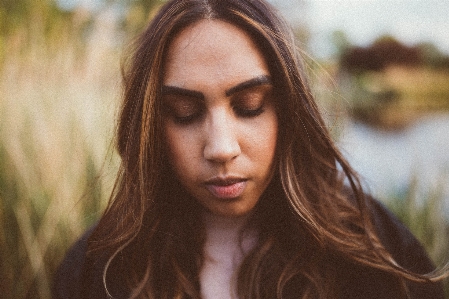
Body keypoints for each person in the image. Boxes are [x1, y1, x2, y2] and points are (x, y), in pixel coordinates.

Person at [53, 0, 448, 298]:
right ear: (150, 126)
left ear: (291, 111)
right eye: (184, 113)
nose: (221, 148)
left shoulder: (369, 245)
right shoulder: (100, 267)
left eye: (250, 106)